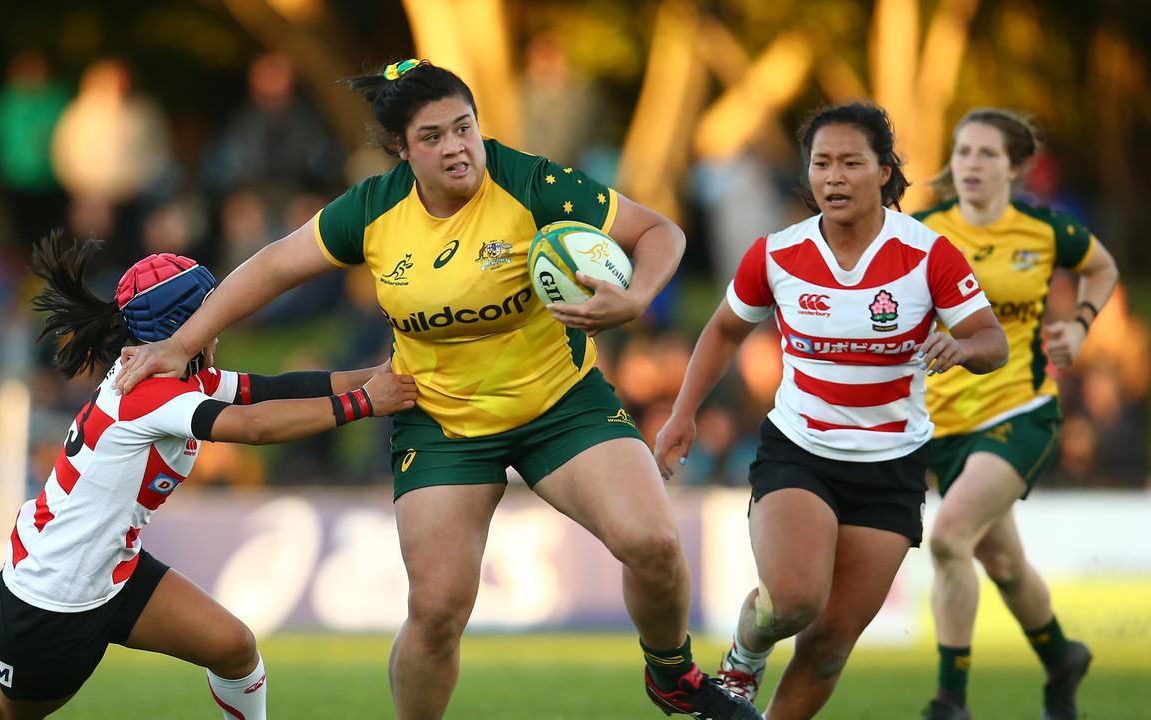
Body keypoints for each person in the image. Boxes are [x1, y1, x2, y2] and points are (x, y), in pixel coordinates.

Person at [111, 59, 762, 720]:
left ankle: (671, 675)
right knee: (437, 611)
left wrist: (637, 297)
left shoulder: (528, 180)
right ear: (401, 149)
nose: (456, 147)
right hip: (441, 421)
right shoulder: (373, 209)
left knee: (652, 544)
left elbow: (660, 231)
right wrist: (181, 344)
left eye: (464, 127)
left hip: (561, 404)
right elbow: (275, 265)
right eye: (433, 137)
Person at [655, 102, 1010, 720]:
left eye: (852, 162)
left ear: (883, 172)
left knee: (827, 650)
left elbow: (993, 342)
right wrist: (683, 413)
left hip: (891, 468)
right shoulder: (777, 254)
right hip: (800, 452)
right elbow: (721, 332)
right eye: (822, 163)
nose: (835, 177)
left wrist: (962, 344)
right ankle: (743, 656)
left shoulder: (928, 255)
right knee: (793, 601)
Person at [0, 231, 417, 720]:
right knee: (4, 717)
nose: (219, 324)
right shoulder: (152, 392)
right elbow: (255, 427)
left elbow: (267, 391)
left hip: (112, 572)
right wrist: (364, 404)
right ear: (182, 325)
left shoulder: (179, 375)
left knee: (234, 649)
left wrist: (377, 373)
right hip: (52, 599)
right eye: (210, 312)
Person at [913, 108, 1118, 720]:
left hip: (1022, 411)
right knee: (1000, 562)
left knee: (949, 537)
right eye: (963, 152)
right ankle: (1061, 657)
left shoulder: (1045, 229)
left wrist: (1079, 327)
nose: (970, 164)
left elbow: (1101, 268)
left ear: (1016, 167)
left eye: (986, 154)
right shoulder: (920, 232)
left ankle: (950, 699)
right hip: (941, 425)